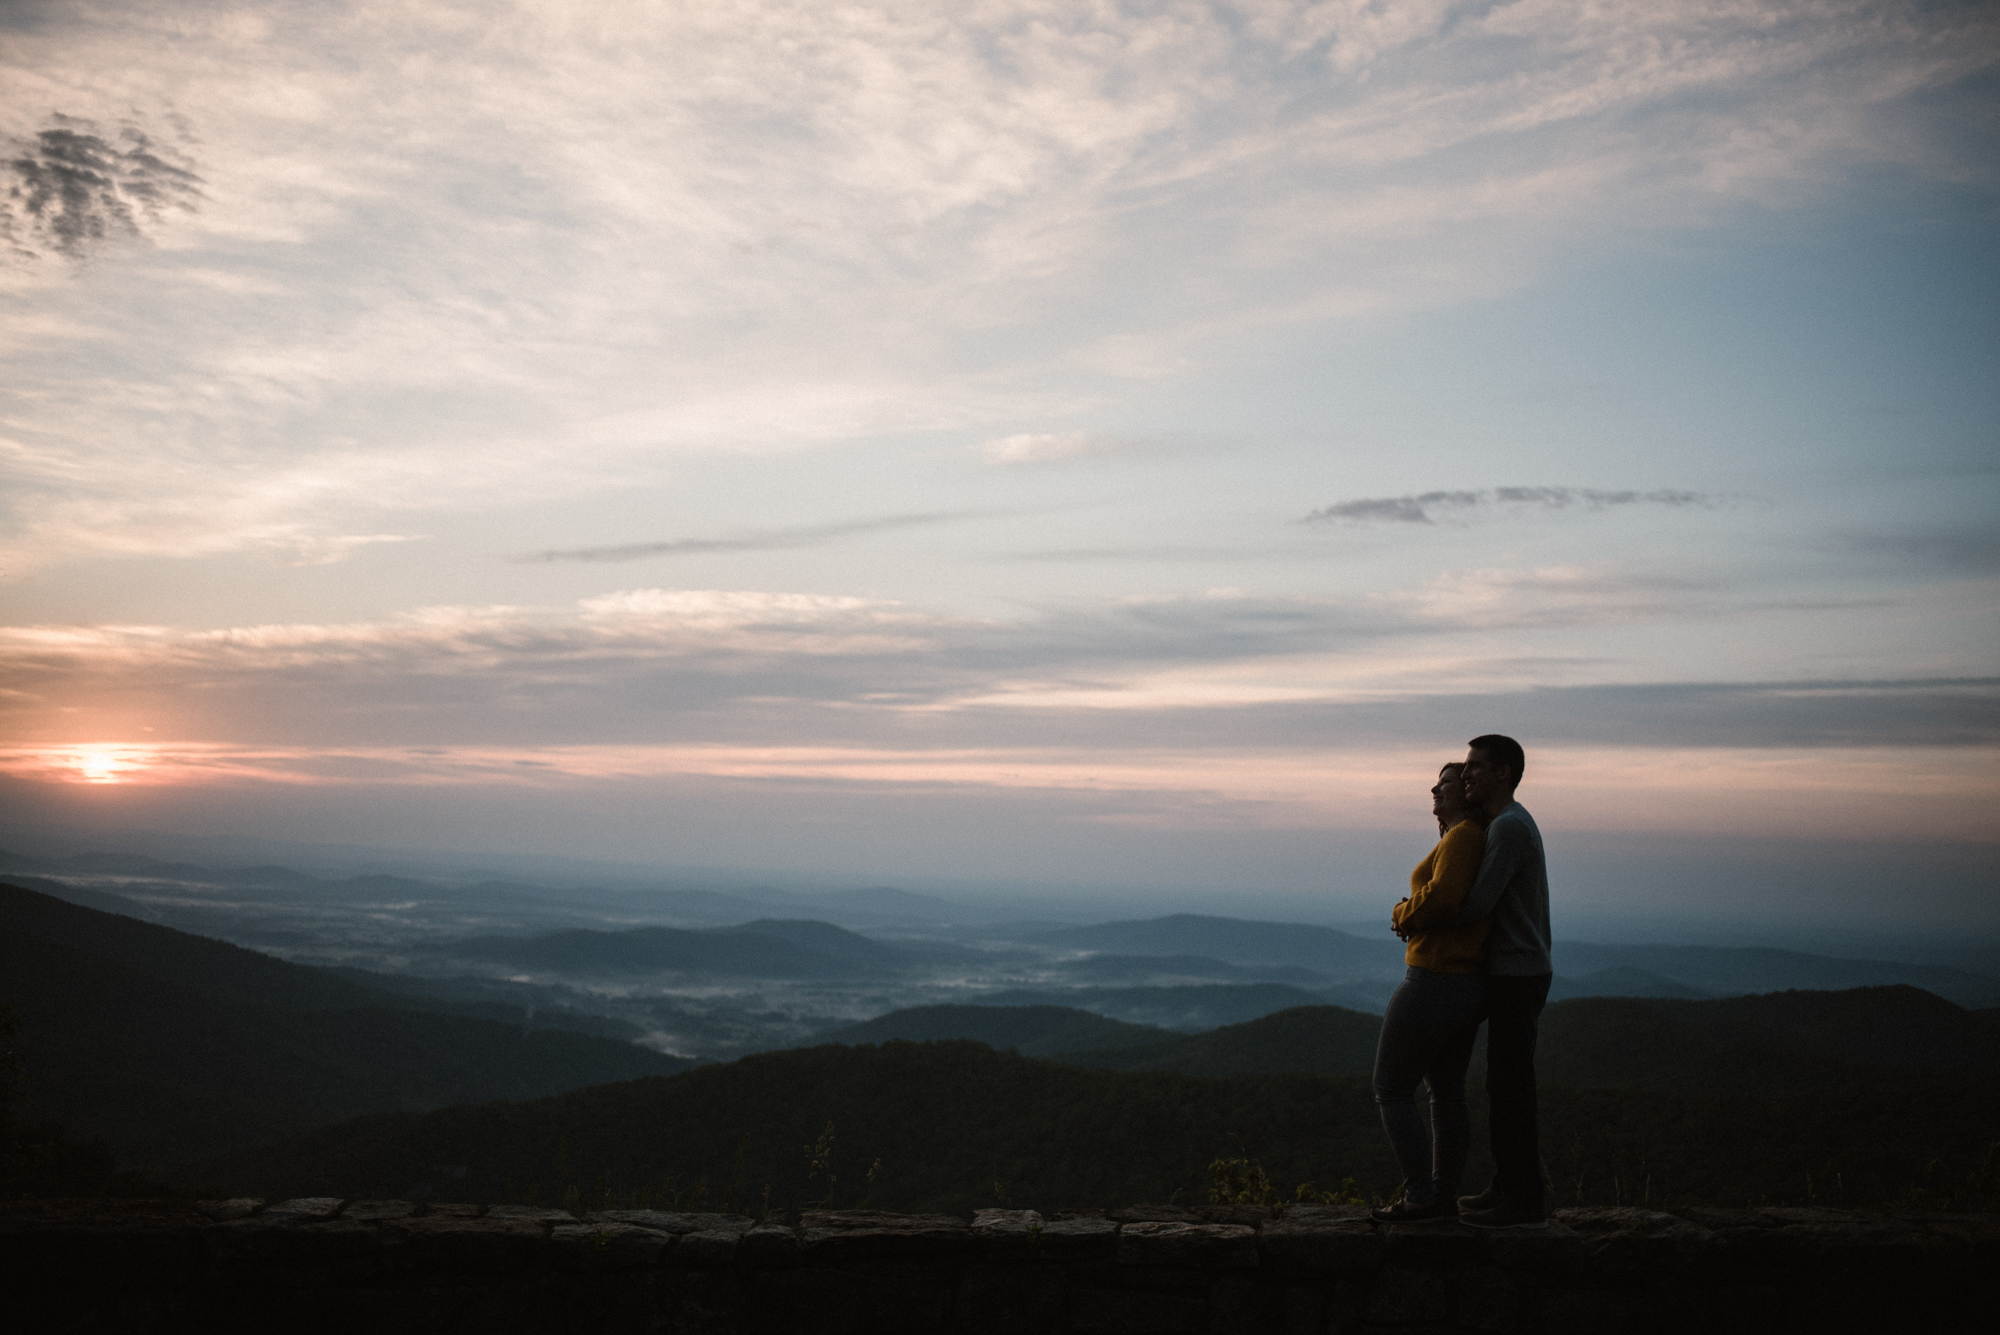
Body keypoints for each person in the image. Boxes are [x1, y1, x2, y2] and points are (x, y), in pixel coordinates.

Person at [1367, 761, 1492, 1222]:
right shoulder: (1465, 837)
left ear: (1463, 790)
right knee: (1446, 1092)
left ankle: (1422, 1195)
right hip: (1463, 985)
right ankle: (1442, 1195)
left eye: (1442, 782)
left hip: (1434, 979)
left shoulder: (1463, 837)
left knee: (1391, 1089)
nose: (1433, 789)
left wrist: (1403, 914)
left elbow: (1443, 898)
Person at [1452, 733, 1553, 1229]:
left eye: (1475, 767)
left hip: (1518, 972)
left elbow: (1477, 902)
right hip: (1515, 971)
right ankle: (1507, 1185)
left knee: (1511, 1088)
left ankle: (1523, 1199)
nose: (1465, 773)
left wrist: (1421, 912)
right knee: (1503, 1084)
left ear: (1503, 773)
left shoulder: (1509, 828)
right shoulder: (1507, 823)